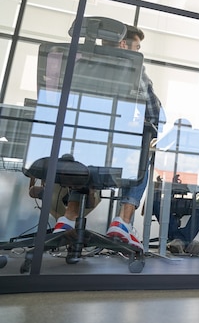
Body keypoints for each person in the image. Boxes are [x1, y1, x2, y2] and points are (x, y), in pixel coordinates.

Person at [52, 25, 164, 253]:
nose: (138, 51)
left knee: (80, 158)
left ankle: (68, 217)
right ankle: (123, 220)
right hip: (114, 159)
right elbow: (154, 113)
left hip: (79, 154)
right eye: (137, 46)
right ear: (124, 45)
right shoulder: (133, 68)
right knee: (143, 155)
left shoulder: (82, 64)